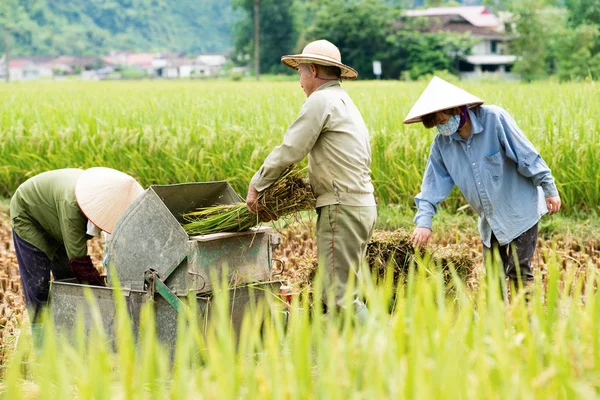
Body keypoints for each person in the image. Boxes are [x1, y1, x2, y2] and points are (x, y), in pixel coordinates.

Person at [245, 40, 377, 318]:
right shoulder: (344, 101)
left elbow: (291, 149)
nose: (300, 82)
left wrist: (258, 184)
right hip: (361, 205)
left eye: (300, 73)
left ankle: (381, 351)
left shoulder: (321, 101)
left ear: (313, 70)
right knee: (344, 294)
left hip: (342, 208)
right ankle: (343, 355)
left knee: (341, 298)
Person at [404, 76, 561, 292]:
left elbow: (527, 156)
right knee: (494, 277)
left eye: (442, 122)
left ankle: (525, 323)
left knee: (519, 272)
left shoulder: (494, 119)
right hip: (490, 220)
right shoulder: (442, 145)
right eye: (436, 126)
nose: (441, 128)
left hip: (520, 211)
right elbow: (432, 185)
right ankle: (498, 324)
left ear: (457, 110)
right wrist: (424, 221)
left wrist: (549, 188)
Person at [10, 167, 144, 338]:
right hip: (29, 214)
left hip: (54, 213)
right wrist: (104, 296)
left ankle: (69, 336)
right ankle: (42, 345)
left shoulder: (104, 198)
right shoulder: (74, 207)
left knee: (67, 279)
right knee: (38, 285)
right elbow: (80, 263)